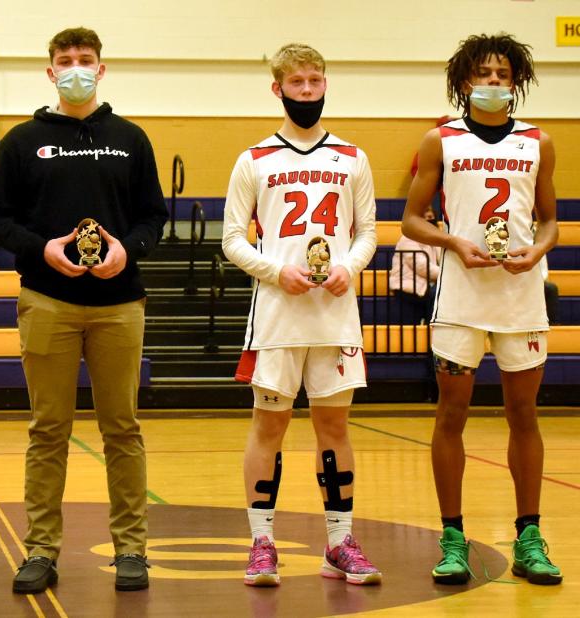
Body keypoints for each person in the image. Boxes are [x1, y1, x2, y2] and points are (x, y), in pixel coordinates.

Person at [0, 26, 168, 594]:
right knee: (47, 431)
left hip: (118, 304)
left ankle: (131, 548)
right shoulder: (21, 141)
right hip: (47, 301)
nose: (76, 68)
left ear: (102, 69)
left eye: (86, 59)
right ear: (51, 71)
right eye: (65, 60)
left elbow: (153, 219)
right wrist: (43, 250)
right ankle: (40, 551)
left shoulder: (131, 139)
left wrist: (125, 251)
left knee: (123, 430)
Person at [401, 33, 561, 586]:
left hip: (521, 296)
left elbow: (548, 219)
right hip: (462, 297)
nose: (493, 83)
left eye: (502, 74)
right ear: (464, 81)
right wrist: (452, 243)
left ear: (515, 82)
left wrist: (539, 250)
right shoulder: (438, 141)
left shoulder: (539, 141)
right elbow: (412, 219)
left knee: (524, 415)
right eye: (483, 74)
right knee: (451, 416)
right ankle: (452, 538)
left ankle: (530, 537)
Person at [222, 43, 381, 587]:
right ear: (278, 89)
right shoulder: (254, 159)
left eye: (316, 81)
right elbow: (231, 241)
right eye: (298, 83)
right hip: (277, 315)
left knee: (334, 426)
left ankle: (339, 544)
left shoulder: (353, 158)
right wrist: (274, 271)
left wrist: (350, 268)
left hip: (335, 314)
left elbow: (367, 234)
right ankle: (262, 542)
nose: (308, 91)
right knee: (270, 426)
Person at [388, 206, 440, 324]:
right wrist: (446, 274)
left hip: (424, 287)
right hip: (408, 287)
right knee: (438, 292)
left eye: (431, 213)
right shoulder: (408, 238)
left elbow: (442, 259)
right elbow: (421, 267)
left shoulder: (433, 239)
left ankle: (432, 330)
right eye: (425, 212)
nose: (430, 215)